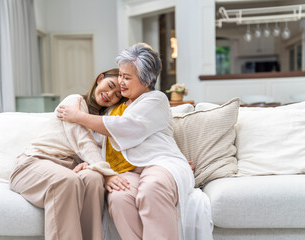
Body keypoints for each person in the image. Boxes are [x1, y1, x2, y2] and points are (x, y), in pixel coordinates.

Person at [57, 43, 213, 240]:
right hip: (130, 171)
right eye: (120, 75)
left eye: (127, 77)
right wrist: (89, 165)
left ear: (147, 80)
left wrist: (78, 116)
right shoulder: (115, 107)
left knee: (151, 188)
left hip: (161, 164)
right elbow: (97, 144)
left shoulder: (155, 100)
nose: (121, 81)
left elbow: (124, 127)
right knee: (119, 198)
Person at [9, 68, 128, 240]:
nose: (110, 94)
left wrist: (89, 165)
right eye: (110, 85)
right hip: (33, 164)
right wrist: (107, 173)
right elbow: (82, 141)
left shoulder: (103, 121)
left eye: (117, 95)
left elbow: (92, 152)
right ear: (99, 78)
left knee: (94, 179)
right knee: (67, 181)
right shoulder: (75, 102)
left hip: (67, 168)